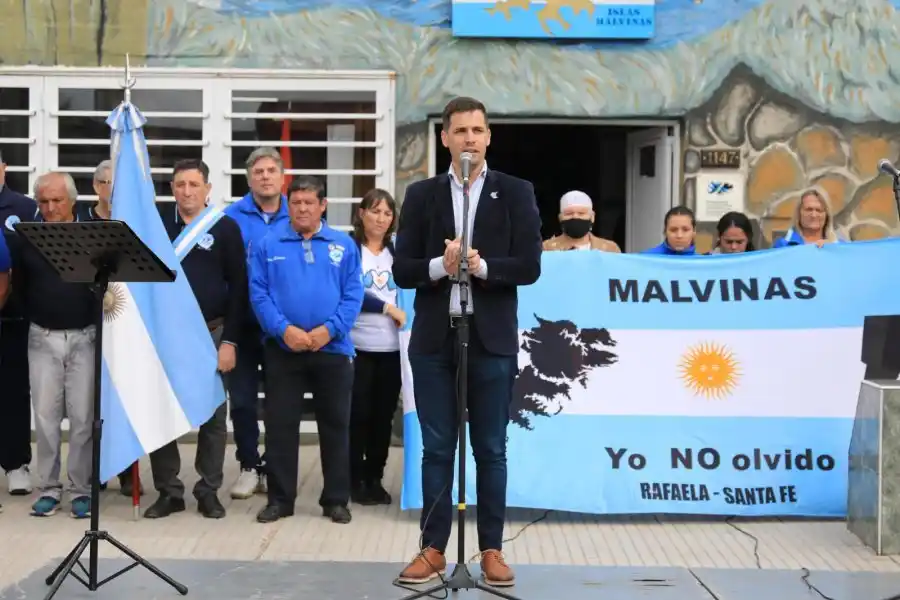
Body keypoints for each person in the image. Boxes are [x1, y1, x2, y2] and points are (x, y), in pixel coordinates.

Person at [393, 96, 542, 587]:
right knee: (437, 448)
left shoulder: (515, 192)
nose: (469, 140)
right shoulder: (422, 196)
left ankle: (492, 550)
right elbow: (403, 268)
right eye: (460, 131)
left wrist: (480, 267)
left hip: (490, 338)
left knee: (491, 449)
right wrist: (443, 265)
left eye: (477, 131)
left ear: (489, 136)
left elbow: (529, 266)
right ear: (445, 138)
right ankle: (433, 549)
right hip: (437, 339)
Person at [249, 175, 363, 525]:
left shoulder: (344, 245)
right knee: (281, 426)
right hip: (284, 350)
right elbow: (259, 293)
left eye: (309, 203)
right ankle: (280, 500)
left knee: (336, 425)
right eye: (295, 202)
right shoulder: (269, 244)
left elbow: (353, 294)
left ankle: (336, 500)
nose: (301, 209)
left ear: (322, 205)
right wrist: (285, 330)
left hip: (333, 349)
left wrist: (328, 331)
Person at [143, 159, 247, 520]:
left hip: (212, 332)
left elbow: (240, 289)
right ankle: (169, 491)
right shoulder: (156, 225)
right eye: (180, 184)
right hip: (166, 335)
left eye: (193, 185)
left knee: (213, 416)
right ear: (172, 188)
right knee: (161, 414)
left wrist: (231, 341)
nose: (186, 191)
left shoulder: (226, 228)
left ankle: (208, 490)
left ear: (207, 189)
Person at [16, 172, 96, 518]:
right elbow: (19, 286)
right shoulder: (26, 238)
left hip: (85, 337)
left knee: (82, 418)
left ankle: (81, 489)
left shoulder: (93, 236)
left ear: (72, 201)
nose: (49, 208)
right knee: (46, 418)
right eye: (43, 202)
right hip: (42, 337)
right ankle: (49, 487)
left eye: (56, 201)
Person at [223, 147, 289, 500]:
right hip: (244, 325)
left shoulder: (297, 214)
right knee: (244, 401)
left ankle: (276, 468)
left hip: (282, 328)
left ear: (282, 176)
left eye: (271, 170)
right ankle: (250, 465)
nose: (265, 176)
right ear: (249, 178)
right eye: (258, 171)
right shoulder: (231, 217)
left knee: (280, 403)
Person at [348, 188, 406, 505]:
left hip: (391, 351)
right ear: (361, 214)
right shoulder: (349, 250)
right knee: (358, 416)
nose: (381, 218)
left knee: (383, 418)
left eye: (387, 213)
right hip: (357, 349)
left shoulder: (395, 253)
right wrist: (386, 308)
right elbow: (350, 291)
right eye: (375, 211)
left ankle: (375, 478)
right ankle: (354, 478)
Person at [0, 150, 38, 500]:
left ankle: (15, 464)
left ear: (4, 167)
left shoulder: (25, 209)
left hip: (12, 317)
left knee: (12, 393)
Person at [542, 190, 620, 252]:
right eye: (569, 213)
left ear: (592, 217)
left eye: (581, 213)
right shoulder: (546, 249)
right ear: (560, 218)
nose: (575, 217)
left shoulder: (609, 249)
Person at [772, 187, 843, 248]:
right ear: (799, 213)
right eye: (809, 209)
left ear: (827, 215)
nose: (814, 215)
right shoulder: (783, 245)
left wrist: (831, 250)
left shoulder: (840, 248)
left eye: (819, 210)